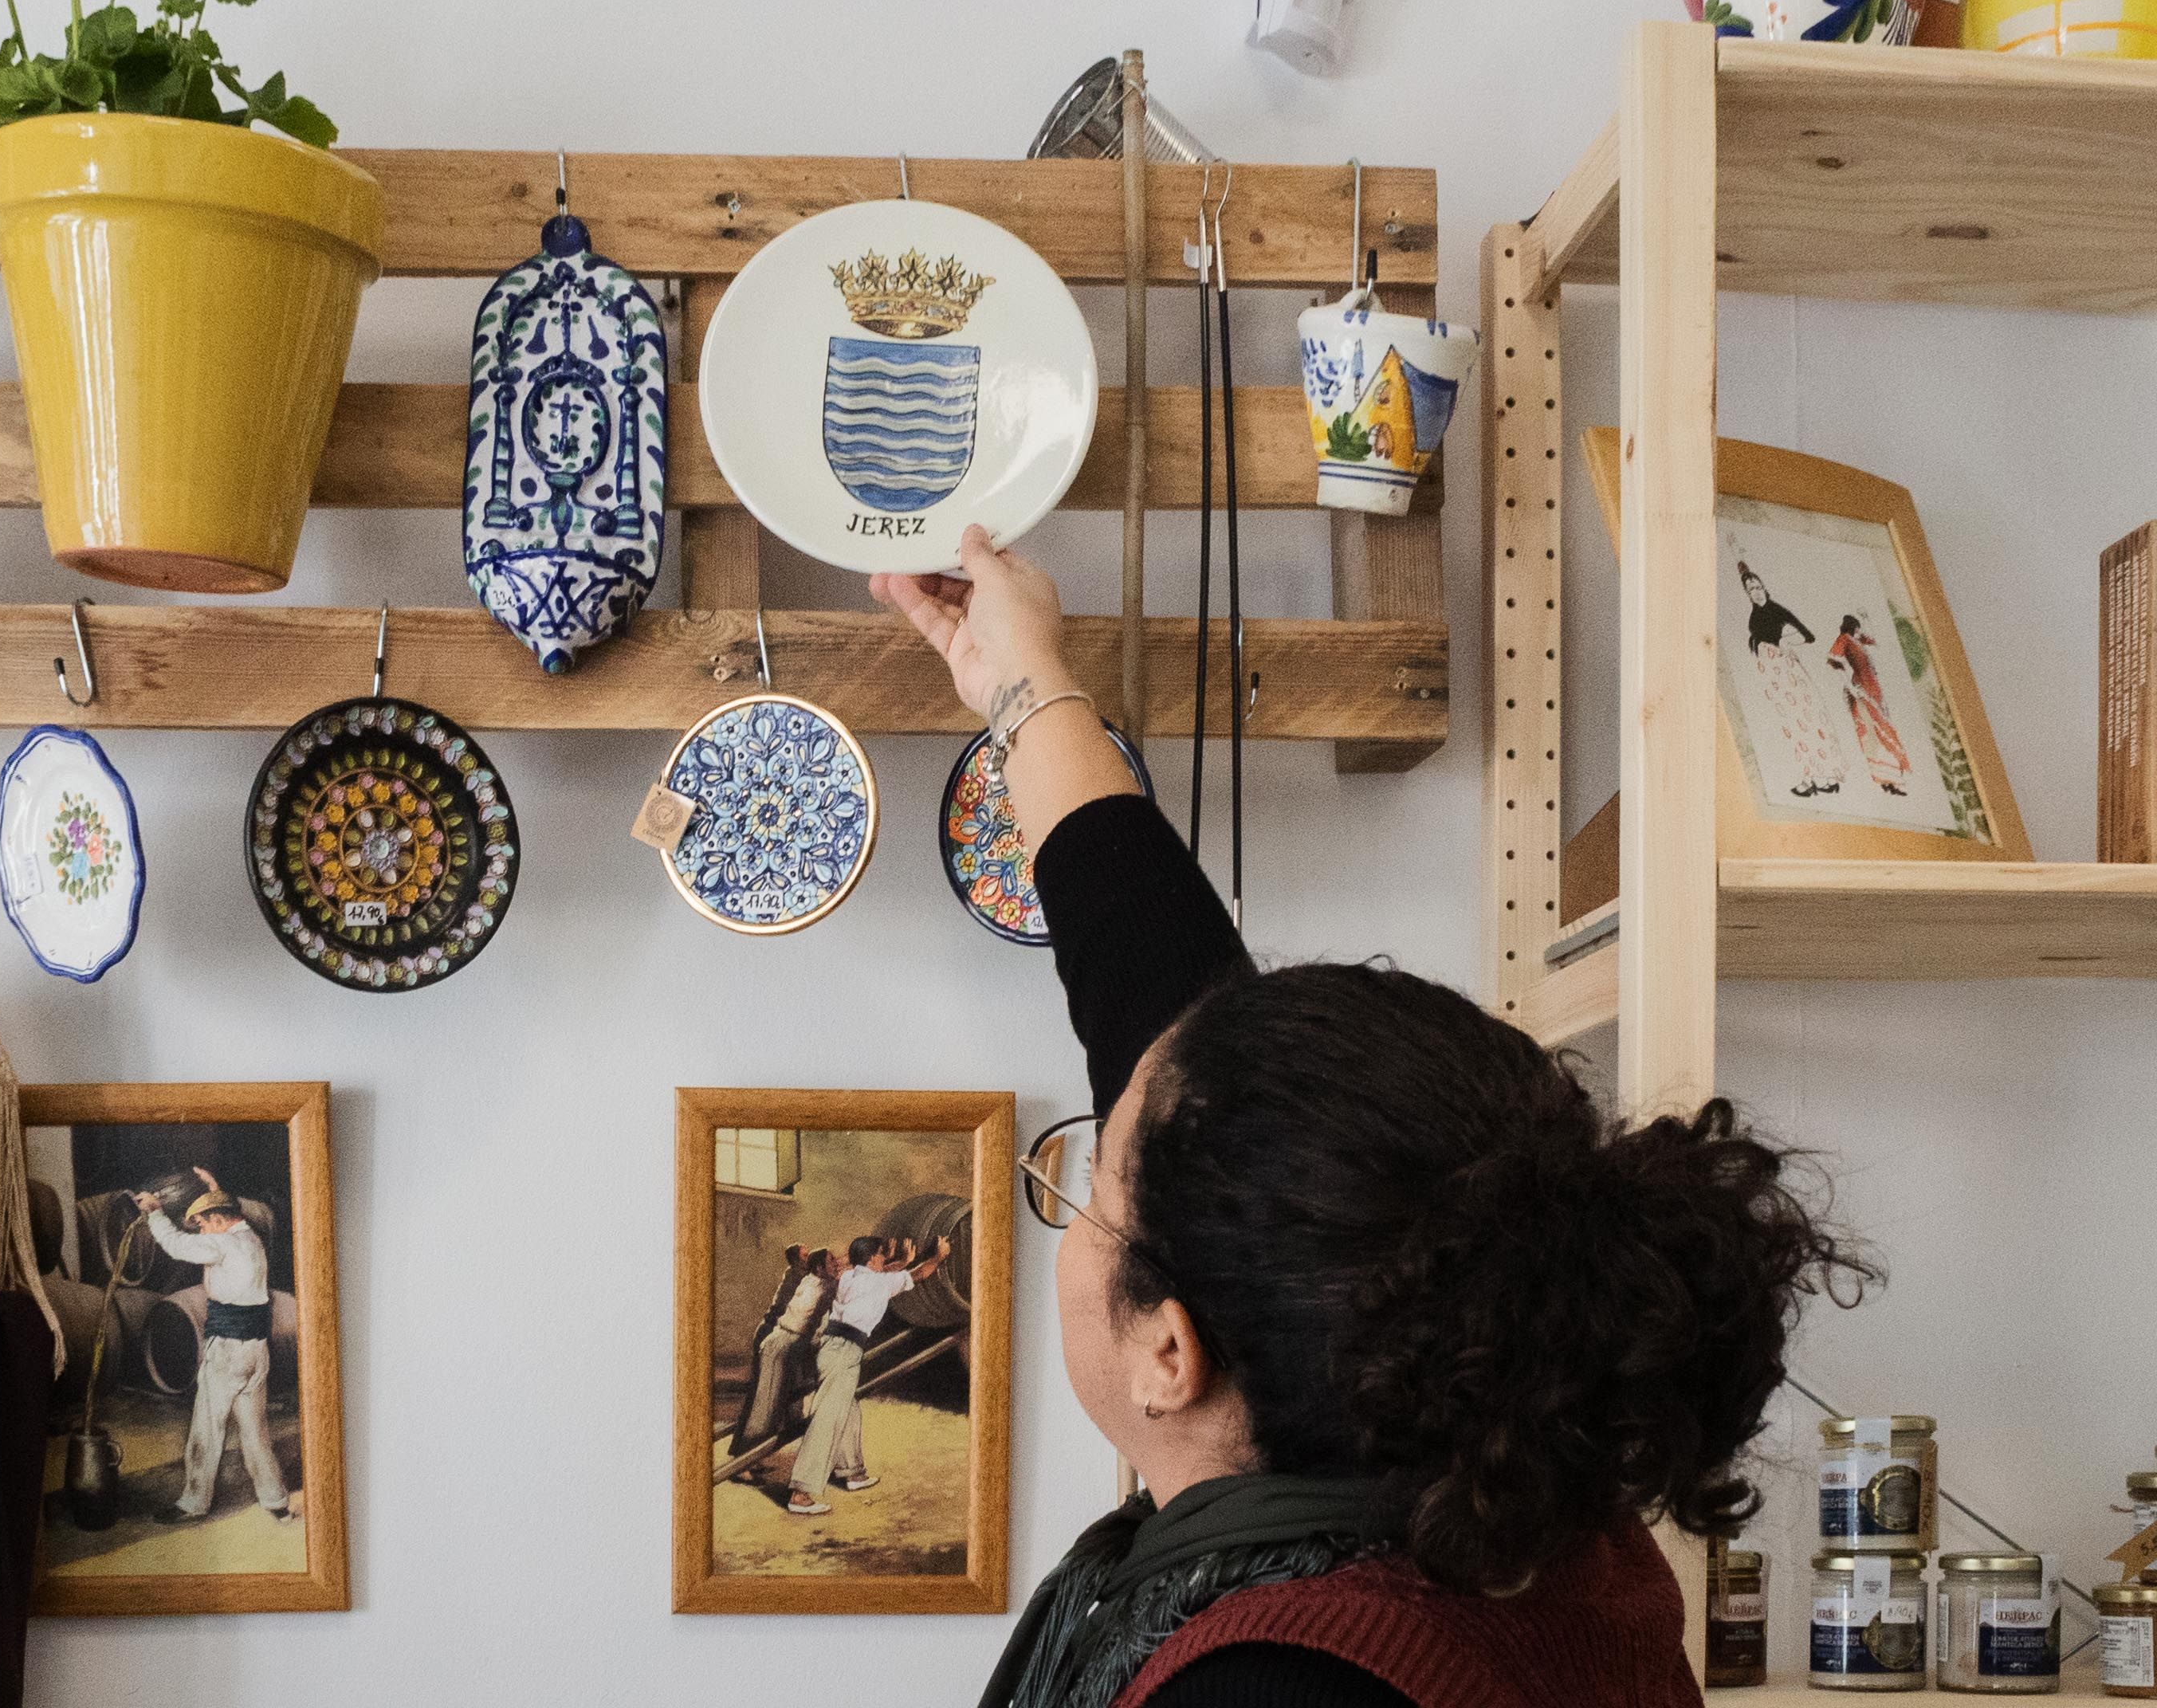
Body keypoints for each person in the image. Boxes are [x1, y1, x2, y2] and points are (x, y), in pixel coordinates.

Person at [875, 527, 1869, 1708]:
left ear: (1170, 1354)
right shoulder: (1528, 1517)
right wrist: (1022, 678)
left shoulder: (1276, 1682)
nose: (1083, 1204)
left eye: (1089, 1192)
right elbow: (1151, 976)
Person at [132, 1166, 293, 1525]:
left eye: (203, 1223)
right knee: (254, 1430)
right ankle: (276, 1500)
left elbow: (176, 1245)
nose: (201, 1230)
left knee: (207, 1426)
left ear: (218, 1220)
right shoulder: (250, 1238)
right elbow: (223, 1213)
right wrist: (214, 1190)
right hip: (255, 1350)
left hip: (228, 1352)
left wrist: (156, 1213)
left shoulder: (222, 1244)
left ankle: (193, 1502)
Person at [784, 1232, 953, 1517]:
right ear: (873, 1257)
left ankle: (853, 1473)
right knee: (829, 1417)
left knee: (847, 1409)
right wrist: (937, 1257)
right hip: (845, 1351)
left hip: (831, 1348)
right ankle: (801, 1492)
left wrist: (901, 1261)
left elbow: (885, 1275)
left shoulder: (851, 1276)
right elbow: (920, 1275)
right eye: (882, 1254)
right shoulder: (878, 1281)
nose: (884, 1258)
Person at [1738, 562, 1845, 799]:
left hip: (1789, 676)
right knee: (1792, 726)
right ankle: (1812, 777)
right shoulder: (1754, 616)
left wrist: (1787, 641)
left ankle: (1825, 777)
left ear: (1764, 587)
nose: (1755, 592)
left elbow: (1809, 636)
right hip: (1773, 678)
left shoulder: (1777, 610)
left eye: (1757, 587)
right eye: (1750, 590)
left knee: (1807, 721)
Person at [732, 1246, 832, 1456]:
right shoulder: (801, 1277)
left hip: (788, 1338)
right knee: (763, 1401)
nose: (807, 1258)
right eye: (805, 1256)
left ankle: (759, 1449)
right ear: (800, 1261)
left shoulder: (811, 1277)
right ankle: (746, 1455)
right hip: (775, 1333)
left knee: (783, 1396)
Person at [1826, 613, 1913, 795]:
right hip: (1861, 690)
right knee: (1872, 732)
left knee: (1883, 729)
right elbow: (1834, 660)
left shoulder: (1858, 639)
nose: (1860, 631)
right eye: (1858, 628)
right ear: (1852, 628)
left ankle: (1892, 778)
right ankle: (1885, 779)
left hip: (1874, 689)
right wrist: (1850, 687)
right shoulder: (1845, 639)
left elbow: (1875, 640)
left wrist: (1867, 619)